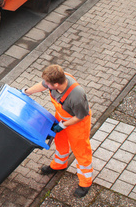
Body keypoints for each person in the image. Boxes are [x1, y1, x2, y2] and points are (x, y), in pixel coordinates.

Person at [22, 64, 93, 198]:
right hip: (62, 119)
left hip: (77, 124)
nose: (45, 85)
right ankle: (59, 165)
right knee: (60, 143)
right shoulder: (58, 79)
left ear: (55, 84)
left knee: (81, 151)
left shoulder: (77, 96)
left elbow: (80, 116)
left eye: (48, 83)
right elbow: (42, 85)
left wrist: (63, 125)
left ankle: (85, 182)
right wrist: (27, 91)